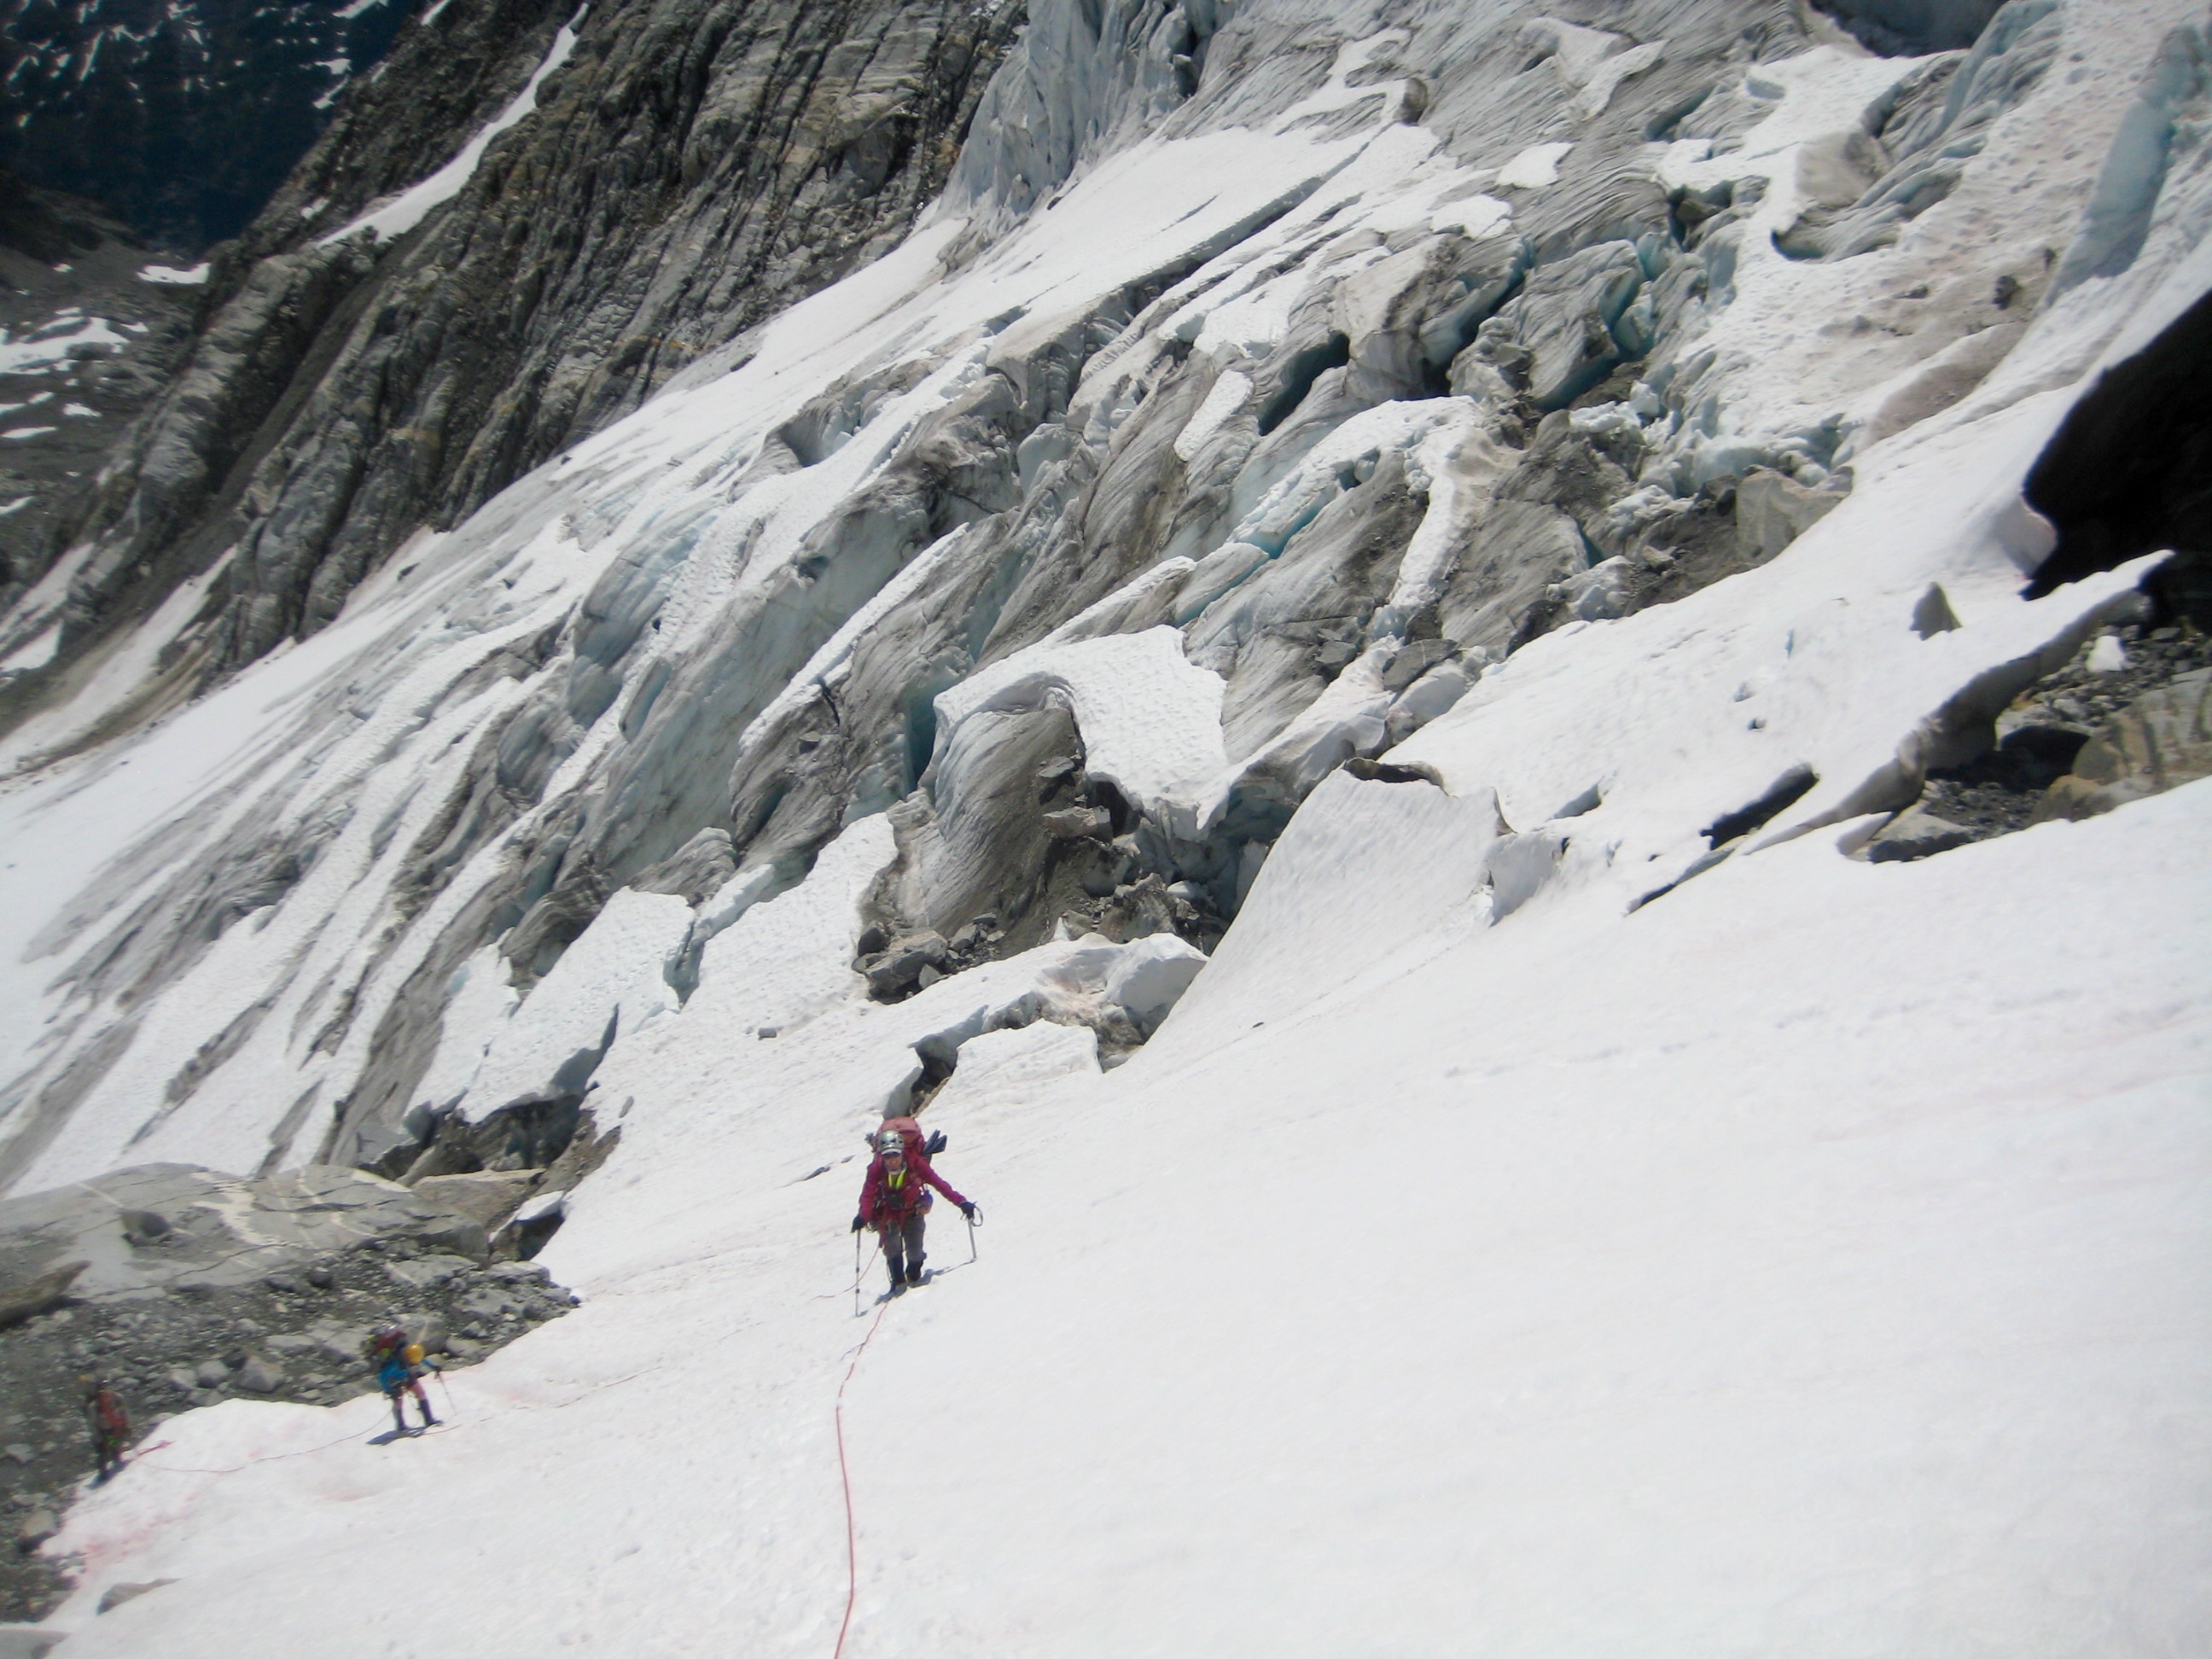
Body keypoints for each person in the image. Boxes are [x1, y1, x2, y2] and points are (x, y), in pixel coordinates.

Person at [851, 1125, 975, 1295]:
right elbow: (868, 1194)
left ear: (901, 1151)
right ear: (882, 1156)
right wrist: (863, 1216)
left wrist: (962, 1203)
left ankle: (914, 1275)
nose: (892, 1159)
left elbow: (939, 1184)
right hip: (887, 1213)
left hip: (913, 1211)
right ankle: (898, 1282)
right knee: (892, 1247)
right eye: (887, 1156)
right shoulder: (876, 1169)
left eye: (895, 1154)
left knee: (915, 1253)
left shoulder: (915, 1163)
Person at [364, 1324, 439, 1434]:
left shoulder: (409, 1351)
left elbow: (419, 1358)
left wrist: (433, 1366)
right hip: (394, 1380)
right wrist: (390, 1391)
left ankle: (428, 1420)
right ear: (409, 1358)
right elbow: (383, 1377)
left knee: (420, 1392)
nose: (413, 1363)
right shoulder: (394, 1363)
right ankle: (401, 1426)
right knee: (400, 1400)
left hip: (404, 1374)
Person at [81, 1376, 129, 1481]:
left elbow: (91, 1423)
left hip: (105, 1431)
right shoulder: (113, 1399)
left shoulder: (97, 1404)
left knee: (108, 1450)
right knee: (107, 1451)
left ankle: (108, 1470)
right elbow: (92, 1423)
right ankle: (108, 1470)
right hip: (105, 1432)